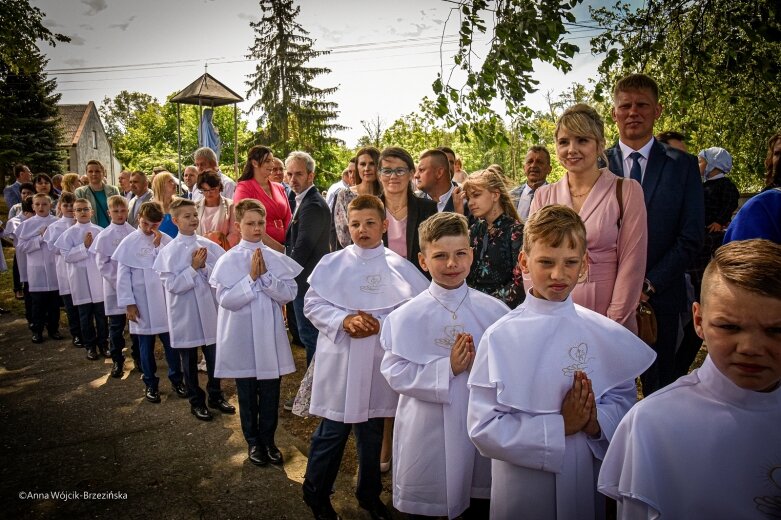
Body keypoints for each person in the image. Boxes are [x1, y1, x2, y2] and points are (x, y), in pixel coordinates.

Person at [467, 205, 656, 519]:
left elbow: (623, 401)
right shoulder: (500, 337)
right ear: (524, 261)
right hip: (524, 484)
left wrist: (595, 422)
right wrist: (559, 427)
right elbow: (483, 427)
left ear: (584, 265)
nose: (559, 274)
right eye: (546, 262)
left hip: (584, 471)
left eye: (570, 263)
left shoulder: (603, 333)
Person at [598, 239, 781, 519]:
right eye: (729, 326)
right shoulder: (653, 423)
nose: (750, 347)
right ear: (698, 320)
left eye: (775, 330)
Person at [302, 195, 429, 520]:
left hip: (376, 363)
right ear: (347, 225)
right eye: (355, 223)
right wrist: (344, 321)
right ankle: (316, 494)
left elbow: (413, 314)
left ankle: (369, 495)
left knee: (373, 432)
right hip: (341, 362)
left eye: (370, 223)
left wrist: (379, 325)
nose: (362, 229)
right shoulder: (333, 263)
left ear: (384, 225)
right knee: (332, 432)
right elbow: (313, 305)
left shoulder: (400, 268)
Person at [380, 212, 509, 518]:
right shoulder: (405, 317)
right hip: (426, 427)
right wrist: (446, 368)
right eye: (440, 256)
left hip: (478, 423)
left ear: (471, 255)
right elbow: (395, 372)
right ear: (423, 261)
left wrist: (483, 365)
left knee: (478, 501)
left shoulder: (496, 312)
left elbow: (510, 370)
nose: (452, 264)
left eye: (460, 254)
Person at [605, 73, 704, 394]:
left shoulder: (683, 166)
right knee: (602, 384)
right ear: (614, 113)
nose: (633, 112)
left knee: (659, 386)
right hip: (604, 297)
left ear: (657, 110)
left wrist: (647, 284)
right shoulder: (596, 164)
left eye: (642, 105)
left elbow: (691, 236)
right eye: (626, 106)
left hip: (659, 298)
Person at [533, 103, 648, 334]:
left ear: (600, 145)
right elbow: (532, 260)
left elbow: (632, 263)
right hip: (552, 314)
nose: (571, 149)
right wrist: (542, 311)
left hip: (607, 313)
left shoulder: (626, 190)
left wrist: (612, 324)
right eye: (564, 142)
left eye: (582, 140)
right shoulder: (544, 195)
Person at [210, 198, 302, 465]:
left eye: (261, 222)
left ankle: (269, 440)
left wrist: (266, 277)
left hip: (269, 333)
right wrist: (250, 278)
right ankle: (253, 442)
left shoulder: (274, 258)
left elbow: (288, 294)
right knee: (247, 390)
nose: (257, 228)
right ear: (238, 226)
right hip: (242, 334)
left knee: (271, 390)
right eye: (250, 223)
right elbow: (226, 300)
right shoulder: (229, 260)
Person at [154, 197, 234, 421]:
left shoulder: (209, 245)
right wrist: (192, 268)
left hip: (209, 309)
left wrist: (205, 268)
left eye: (195, 215)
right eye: (187, 216)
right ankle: (196, 401)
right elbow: (171, 285)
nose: (193, 219)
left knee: (214, 356)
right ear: (176, 220)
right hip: (185, 312)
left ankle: (215, 394)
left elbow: (222, 275)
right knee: (188, 359)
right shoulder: (168, 252)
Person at [675, 147, 740, 378]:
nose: (699, 165)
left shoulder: (725, 187)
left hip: (708, 246)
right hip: (696, 244)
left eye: (702, 161)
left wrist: (720, 220)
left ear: (713, 164)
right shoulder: (700, 188)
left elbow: (727, 206)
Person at [113, 201, 185, 403]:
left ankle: (177, 380)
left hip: (163, 302)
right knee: (145, 346)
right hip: (141, 303)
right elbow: (123, 276)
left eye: (153, 225)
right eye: (145, 224)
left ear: (161, 221)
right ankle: (150, 383)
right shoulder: (128, 242)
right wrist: (129, 303)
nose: (149, 229)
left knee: (171, 346)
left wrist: (159, 246)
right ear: (139, 219)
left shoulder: (167, 241)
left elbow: (174, 267)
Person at [284, 151, 330, 366]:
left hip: (307, 281)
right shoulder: (300, 200)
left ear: (311, 176)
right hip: (304, 279)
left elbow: (302, 248)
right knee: (308, 336)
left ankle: (312, 393)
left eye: (299, 174)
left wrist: (283, 275)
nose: (293, 179)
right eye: (290, 174)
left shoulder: (312, 204)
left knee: (310, 337)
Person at [53, 199, 107, 360]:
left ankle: (104, 343)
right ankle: (90, 346)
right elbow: (67, 256)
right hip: (80, 280)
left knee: (101, 315)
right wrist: (83, 246)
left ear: (92, 211)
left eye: (86, 209)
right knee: (85, 316)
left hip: (97, 279)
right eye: (79, 210)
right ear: (74, 213)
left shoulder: (100, 231)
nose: (82, 212)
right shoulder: (68, 234)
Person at [91, 195, 139, 377]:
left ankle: (138, 359)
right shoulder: (104, 236)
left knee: (135, 327)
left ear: (127, 211)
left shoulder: (133, 233)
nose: (119, 214)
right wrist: (119, 282)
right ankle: (118, 361)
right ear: (109, 212)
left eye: (123, 210)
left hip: (134, 288)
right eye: (116, 211)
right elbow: (102, 263)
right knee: (116, 327)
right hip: (113, 288)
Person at [463, 168, 526, 309]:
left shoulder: (516, 231)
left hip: (501, 312)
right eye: (468, 198)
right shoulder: (475, 229)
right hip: (469, 307)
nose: (470, 203)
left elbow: (520, 282)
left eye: (476, 195)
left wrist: (487, 305)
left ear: (495, 195)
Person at [378, 146, 438, 275]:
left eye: (400, 171)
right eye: (387, 171)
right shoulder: (370, 209)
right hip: (378, 283)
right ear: (379, 175)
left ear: (411, 174)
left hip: (419, 283)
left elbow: (435, 251)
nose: (393, 176)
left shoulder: (428, 209)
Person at [15, 194, 62, 343]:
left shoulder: (57, 222)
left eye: (44, 204)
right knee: (37, 304)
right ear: (33, 206)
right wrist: (39, 238)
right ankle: (37, 330)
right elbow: (22, 246)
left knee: (54, 304)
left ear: (50, 206)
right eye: (38, 204)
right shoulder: (26, 225)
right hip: (36, 270)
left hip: (53, 267)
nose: (41, 207)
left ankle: (54, 329)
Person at [43, 191, 82, 347]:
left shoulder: (80, 223)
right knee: (70, 305)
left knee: (83, 305)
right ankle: (76, 334)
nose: (69, 208)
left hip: (81, 268)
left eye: (72, 205)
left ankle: (86, 331)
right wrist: (68, 248)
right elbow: (52, 247)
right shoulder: (55, 226)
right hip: (64, 269)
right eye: (65, 205)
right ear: (60, 206)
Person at [233, 145, 290, 252]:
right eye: (267, 161)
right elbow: (246, 222)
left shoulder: (279, 187)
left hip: (285, 247)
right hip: (257, 248)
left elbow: (288, 218)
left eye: (272, 161)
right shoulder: (244, 188)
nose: (272, 165)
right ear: (254, 163)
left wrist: (289, 245)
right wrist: (279, 248)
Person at [333, 147, 383, 249]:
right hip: (352, 255)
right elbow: (342, 232)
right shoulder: (344, 195)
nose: (367, 168)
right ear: (357, 167)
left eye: (372, 163)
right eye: (363, 164)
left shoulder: (386, 195)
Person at [195, 170, 239, 249]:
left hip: (223, 251)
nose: (209, 193)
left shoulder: (231, 205)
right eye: (205, 190)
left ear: (219, 186)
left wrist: (220, 249)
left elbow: (234, 233)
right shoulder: (195, 206)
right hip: (200, 250)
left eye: (212, 189)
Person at [415, 149, 467, 214]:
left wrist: (459, 215)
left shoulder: (467, 199)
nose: (416, 175)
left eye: (421, 170)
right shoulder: (414, 202)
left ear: (439, 172)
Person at [510, 146, 552, 221]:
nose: (533, 165)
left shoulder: (555, 195)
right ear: (524, 168)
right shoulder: (511, 196)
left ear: (549, 169)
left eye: (539, 162)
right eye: (530, 161)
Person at [74, 160, 120, 227]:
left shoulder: (113, 190)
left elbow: (119, 211)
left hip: (111, 231)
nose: (94, 174)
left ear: (103, 173)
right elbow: (78, 214)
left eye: (97, 171)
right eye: (90, 171)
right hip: (91, 231)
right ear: (86, 174)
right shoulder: (80, 192)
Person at [150, 171, 180, 238]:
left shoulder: (179, 204)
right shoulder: (151, 207)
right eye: (170, 181)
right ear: (160, 185)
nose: (175, 183)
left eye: (174, 181)